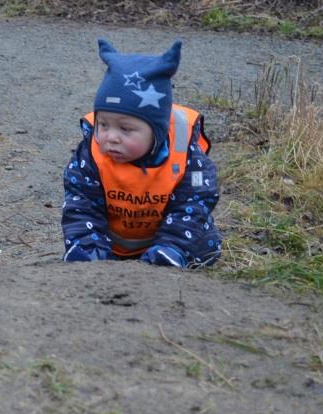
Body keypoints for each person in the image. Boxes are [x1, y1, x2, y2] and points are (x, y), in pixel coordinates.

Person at [61, 39, 221, 268]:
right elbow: (81, 204)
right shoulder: (91, 154)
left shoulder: (186, 155)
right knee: (82, 217)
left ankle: (172, 254)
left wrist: (172, 248)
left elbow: (195, 205)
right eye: (103, 125)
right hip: (113, 247)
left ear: (157, 131)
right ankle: (92, 252)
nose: (111, 137)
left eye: (125, 129)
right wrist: (87, 250)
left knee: (197, 227)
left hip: (177, 242)